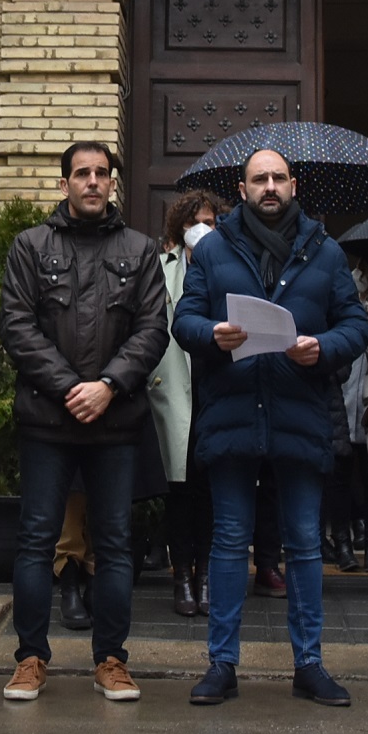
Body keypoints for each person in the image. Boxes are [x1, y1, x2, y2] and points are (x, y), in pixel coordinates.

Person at [173, 148, 368, 708]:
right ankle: (222, 665)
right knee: (231, 541)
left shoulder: (326, 252)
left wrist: (323, 347)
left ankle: (309, 664)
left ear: (293, 185)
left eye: (278, 178)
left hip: (298, 411)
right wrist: (213, 333)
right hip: (233, 410)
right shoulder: (211, 250)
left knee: (305, 545)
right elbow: (182, 320)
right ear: (241, 189)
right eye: (258, 178)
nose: (269, 186)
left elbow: (355, 324)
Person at [0, 141, 169, 702]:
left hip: (115, 423)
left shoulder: (140, 250)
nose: (93, 182)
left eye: (101, 174)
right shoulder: (30, 246)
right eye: (82, 174)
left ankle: (112, 660)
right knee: (36, 542)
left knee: (115, 544)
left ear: (112, 183)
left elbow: (152, 329)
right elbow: (17, 325)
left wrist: (109, 385)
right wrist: (72, 387)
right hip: (48, 420)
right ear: (65, 183)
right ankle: (29, 659)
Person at [154, 188, 227, 617]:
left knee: (216, 493)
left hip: (217, 388)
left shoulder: (233, 266)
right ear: (178, 229)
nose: (201, 230)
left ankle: (208, 575)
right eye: (191, 222)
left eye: (210, 222)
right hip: (174, 389)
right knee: (180, 493)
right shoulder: (160, 268)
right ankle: (181, 574)